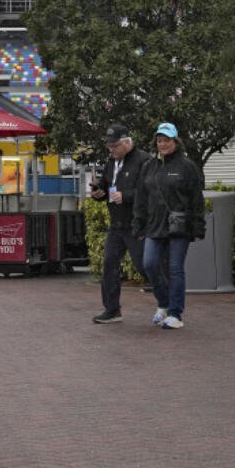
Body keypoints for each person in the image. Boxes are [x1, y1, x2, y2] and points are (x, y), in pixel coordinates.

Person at [131, 122, 206, 330]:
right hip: (154, 226)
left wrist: (199, 227)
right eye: (159, 140)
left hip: (179, 227)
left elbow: (196, 199)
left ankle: (175, 313)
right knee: (149, 264)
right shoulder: (149, 166)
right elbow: (141, 198)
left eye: (167, 140)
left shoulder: (186, 166)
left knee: (175, 269)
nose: (162, 144)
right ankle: (163, 303)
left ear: (176, 141)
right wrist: (138, 223)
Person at [89, 123, 152, 324]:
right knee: (109, 265)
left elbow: (149, 191)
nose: (111, 150)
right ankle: (112, 309)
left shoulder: (144, 160)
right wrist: (98, 191)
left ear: (126, 142)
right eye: (109, 146)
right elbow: (106, 184)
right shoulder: (111, 161)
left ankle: (168, 304)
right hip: (116, 224)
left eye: (115, 145)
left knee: (144, 266)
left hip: (136, 224)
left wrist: (126, 196)